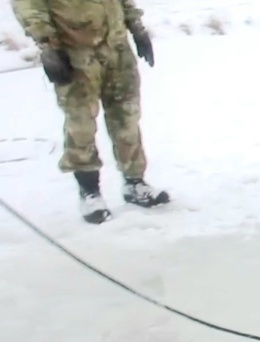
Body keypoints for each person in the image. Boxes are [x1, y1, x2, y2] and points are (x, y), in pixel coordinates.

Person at [12, 0, 169, 225]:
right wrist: (47, 45)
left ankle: (135, 182)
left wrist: (137, 27)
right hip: (75, 54)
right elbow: (28, 4)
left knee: (127, 117)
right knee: (81, 123)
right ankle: (90, 193)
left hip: (117, 49)